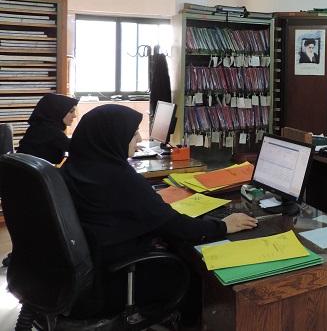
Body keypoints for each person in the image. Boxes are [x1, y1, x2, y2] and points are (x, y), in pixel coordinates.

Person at [60, 104, 257, 324]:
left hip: (84, 275)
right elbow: (176, 226)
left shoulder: (72, 168)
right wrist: (224, 225)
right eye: (133, 134)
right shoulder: (120, 178)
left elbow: (111, 216)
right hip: (116, 278)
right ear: (112, 137)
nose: (138, 139)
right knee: (197, 276)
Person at [17, 93, 78, 164]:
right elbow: (78, 148)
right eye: (71, 112)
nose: (74, 116)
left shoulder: (40, 126)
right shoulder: (51, 131)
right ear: (58, 111)